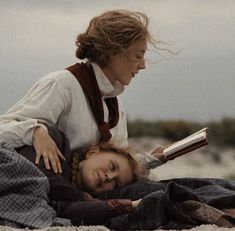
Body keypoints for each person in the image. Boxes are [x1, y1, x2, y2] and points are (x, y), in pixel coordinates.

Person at [0, 9, 163, 174]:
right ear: (113, 50)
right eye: (137, 56)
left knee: (177, 190)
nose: (142, 65)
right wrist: (34, 131)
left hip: (95, 192)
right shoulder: (62, 85)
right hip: (52, 190)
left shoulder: (114, 105)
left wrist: (150, 160)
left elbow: (117, 167)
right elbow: (2, 129)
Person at [0, 125, 145, 228]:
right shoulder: (57, 141)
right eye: (112, 166)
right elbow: (33, 171)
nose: (109, 176)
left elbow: (62, 210)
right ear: (93, 152)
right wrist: (81, 197)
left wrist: (121, 206)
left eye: (115, 183)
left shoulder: (71, 199)